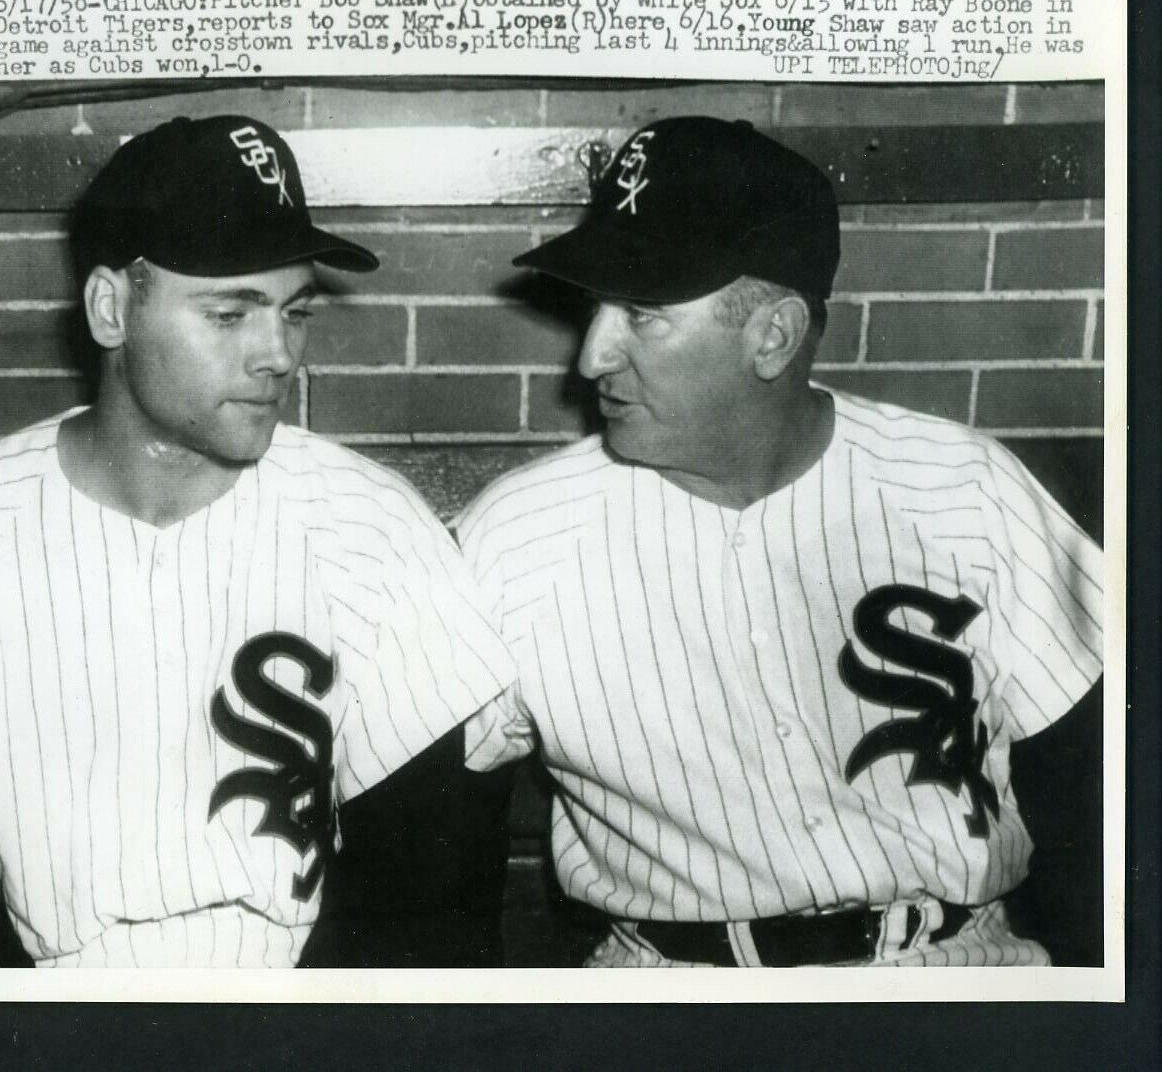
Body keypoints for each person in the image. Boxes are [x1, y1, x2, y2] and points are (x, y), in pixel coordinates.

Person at [0, 115, 516, 968]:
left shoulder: (371, 522)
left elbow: (430, 893)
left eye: (292, 313)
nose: (277, 355)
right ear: (111, 308)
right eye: (231, 313)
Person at [459, 117, 1104, 967]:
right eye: (594, 309)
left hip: (953, 968)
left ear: (772, 335)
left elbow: (1102, 788)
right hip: (671, 993)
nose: (591, 358)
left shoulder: (964, 487)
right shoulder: (517, 536)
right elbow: (427, 839)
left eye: (642, 315)